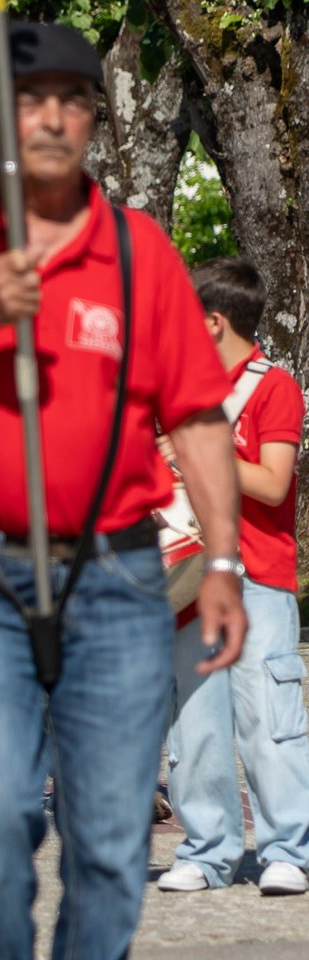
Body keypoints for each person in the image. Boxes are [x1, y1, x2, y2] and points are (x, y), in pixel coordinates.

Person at [0, 24, 246, 960]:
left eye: (74, 99)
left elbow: (195, 415)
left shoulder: (138, 249)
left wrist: (228, 563)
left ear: (94, 121)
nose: (55, 117)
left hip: (117, 575)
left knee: (113, 842)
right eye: (33, 99)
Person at [159, 257, 309, 896]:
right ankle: (207, 850)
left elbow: (274, 484)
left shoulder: (275, 387)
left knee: (268, 722)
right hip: (192, 582)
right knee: (196, 725)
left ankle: (288, 851)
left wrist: (198, 450)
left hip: (259, 579)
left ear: (213, 323)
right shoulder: (176, 391)